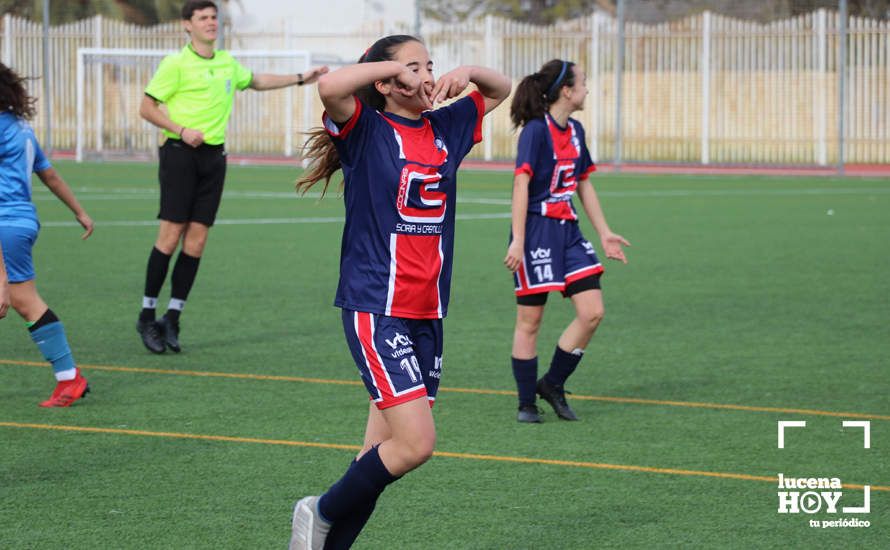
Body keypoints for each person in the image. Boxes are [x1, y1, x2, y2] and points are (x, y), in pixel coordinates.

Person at [288, 35, 510, 549]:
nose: (427, 74)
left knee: (378, 450)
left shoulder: (446, 128)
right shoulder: (365, 128)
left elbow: (502, 89)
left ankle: (327, 542)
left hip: (427, 311)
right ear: (385, 82)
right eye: (415, 67)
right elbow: (331, 85)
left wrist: (468, 70)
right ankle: (317, 510)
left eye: (430, 64)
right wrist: (393, 65)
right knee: (416, 443)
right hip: (376, 307)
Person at [136, 0, 329, 353]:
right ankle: (147, 316)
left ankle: (172, 318)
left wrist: (304, 78)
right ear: (187, 25)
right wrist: (180, 128)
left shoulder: (226, 62)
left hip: (214, 158)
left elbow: (256, 81)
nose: (211, 23)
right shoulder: (175, 64)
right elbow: (146, 107)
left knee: (196, 241)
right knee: (170, 235)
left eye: (214, 17)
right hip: (180, 155)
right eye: (203, 18)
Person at [504, 59, 630, 424]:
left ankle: (553, 383)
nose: (587, 89)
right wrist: (518, 241)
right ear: (566, 91)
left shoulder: (575, 130)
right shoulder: (535, 132)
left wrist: (605, 232)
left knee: (592, 312)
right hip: (535, 232)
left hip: (569, 232)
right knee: (530, 320)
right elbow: (521, 184)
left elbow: (584, 184)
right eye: (584, 83)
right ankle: (526, 403)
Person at [0, 62, 95, 407]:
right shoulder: (20, 127)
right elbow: (49, 175)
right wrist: (79, 210)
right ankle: (69, 378)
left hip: (5, 223)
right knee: (27, 301)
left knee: (24, 302)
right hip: (22, 221)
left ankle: (70, 377)